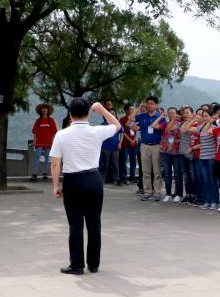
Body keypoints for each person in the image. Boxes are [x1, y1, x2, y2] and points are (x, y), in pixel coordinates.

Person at [50, 98, 121, 274]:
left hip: (72, 181)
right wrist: (102, 109)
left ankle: (77, 265)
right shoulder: (97, 131)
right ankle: (94, 264)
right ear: (88, 114)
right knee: (94, 223)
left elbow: (55, 163)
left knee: (75, 224)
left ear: (70, 115)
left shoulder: (61, 135)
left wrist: (56, 185)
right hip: (94, 179)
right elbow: (117, 125)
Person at [136, 96, 167, 199]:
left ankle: (157, 192)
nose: (149, 105)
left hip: (156, 145)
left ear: (156, 105)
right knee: (145, 170)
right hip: (144, 145)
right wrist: (138, 108)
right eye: (148, 103)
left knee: (157, 170)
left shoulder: (160, 117)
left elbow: (164, 131)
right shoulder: (141, 116)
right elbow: (130, 120)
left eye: (152, 103)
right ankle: (147, 192)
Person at [161, 107, 185, 202]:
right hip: (166, 152)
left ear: (176, 114)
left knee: (178, 174)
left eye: (172, 113)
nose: (171, 114)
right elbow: (155, 127)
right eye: (169, 113)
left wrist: (174, 141)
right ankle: (168, 193)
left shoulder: (180, 125)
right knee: (167, 174)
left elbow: (182, 138)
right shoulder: (165, 124)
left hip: (176, 152)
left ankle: (178, 194)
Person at [29, 103, 57, 182]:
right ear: (41, 111)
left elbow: (54, 132)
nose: (44, 110)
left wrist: (53, 141)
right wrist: (34, 140)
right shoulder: (38, 121)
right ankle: (34, 173)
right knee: (37, 155)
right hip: (39, 141)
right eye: (43, 108)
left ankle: (45, 173)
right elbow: (34, 131)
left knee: (47, 157)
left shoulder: (51, 120)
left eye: (45, 108)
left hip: (48, 141)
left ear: (48, 110)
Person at [119, 105, 139, 185]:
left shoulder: (135, 119)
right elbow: (122, 132)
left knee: (133, 161)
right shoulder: (122, 119)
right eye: (130, 109)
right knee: (123, 162)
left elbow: (136, 130)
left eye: (133, 109)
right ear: (126, 111)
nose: (132, 111)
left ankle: (132, 178)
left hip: (133, 144)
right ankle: (123, 178)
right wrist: (130, 140)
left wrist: (134, 139)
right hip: (125, 144)